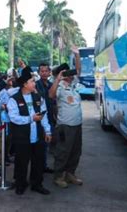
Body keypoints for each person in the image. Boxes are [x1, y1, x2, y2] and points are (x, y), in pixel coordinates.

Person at [7, 66, 52, 195]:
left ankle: (37, 184)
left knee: (38, 162)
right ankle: (20, 184)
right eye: (32, 81)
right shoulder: (13, 99)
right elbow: (14, 118)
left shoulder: (38, 97)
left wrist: (47, 131)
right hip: (22, 138)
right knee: (21, 162)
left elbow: (44, 116)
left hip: (37, 136)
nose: (34, 83)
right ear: (25, 84)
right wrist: (31, 118)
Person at [49, 45, 84, 188]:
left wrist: (77, 55)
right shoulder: (59, 86)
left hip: (77, 124)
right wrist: (57, 79)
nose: (70, 75)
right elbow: (51, 95)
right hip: (65, 126)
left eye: (70, 72)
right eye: (66, 73)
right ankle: (58, 176)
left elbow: (79, 69)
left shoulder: (74, 83)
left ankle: (70, 174)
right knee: (63, 151)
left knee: (76, 151)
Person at [35, 62, 55, 174]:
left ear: (49, 72)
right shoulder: (35, 85)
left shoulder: (52, 84)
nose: (44, 73)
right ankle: (38, 167)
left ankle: (44, 165)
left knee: (46, 145)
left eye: (46, 71)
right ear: (38, 73)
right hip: (40, 118)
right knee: (40, 145)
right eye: (41, 71)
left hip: (50, 117)